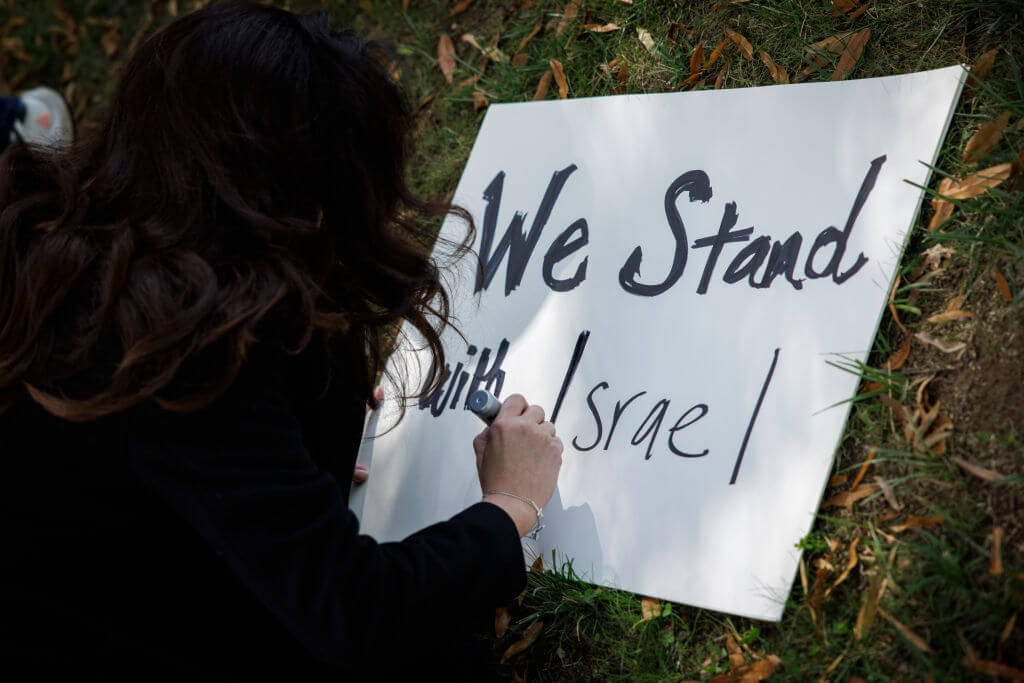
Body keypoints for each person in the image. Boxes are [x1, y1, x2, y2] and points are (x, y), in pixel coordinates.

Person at [0, 2, 562, 679]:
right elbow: (359, 617)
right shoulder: (185, 360)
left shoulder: (67, 240)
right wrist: (509, 508)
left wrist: (278, 466)